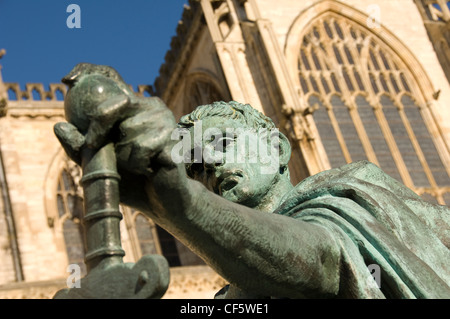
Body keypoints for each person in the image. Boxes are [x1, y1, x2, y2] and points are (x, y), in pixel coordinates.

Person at [55, 63, 450, 298]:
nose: (210, 164)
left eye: (222, 142)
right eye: (194, 167)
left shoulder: (350, 194)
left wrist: (182, 205)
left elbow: (325, 259)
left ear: (277, 147)